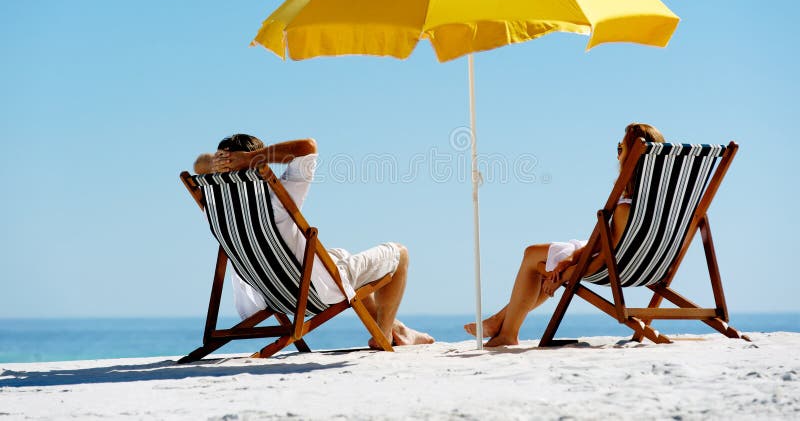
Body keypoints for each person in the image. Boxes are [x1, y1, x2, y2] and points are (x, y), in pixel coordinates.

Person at [194, 134, 434, 348]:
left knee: (340, 256)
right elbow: (308, 146)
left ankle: (399, 329)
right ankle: (383, 334)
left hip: (268, 297)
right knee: (399, 254)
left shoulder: (213, 205)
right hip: (312, 294)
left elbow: (198, 164)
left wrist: (221, 162)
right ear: (258, 164)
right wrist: (253, 157)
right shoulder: (279, 197)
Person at [464, 123, 665, 347]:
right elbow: (609, 244)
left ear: (634, 157)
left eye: (621, 149)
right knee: (546, 260)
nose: (617, 154)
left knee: (533, 257)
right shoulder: (660, 202)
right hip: (645, 263)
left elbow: (607, 254)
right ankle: (500, 321)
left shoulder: (625, 208)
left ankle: (507, 332)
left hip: (611, 264)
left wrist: (570, 270)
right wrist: (569, 259)